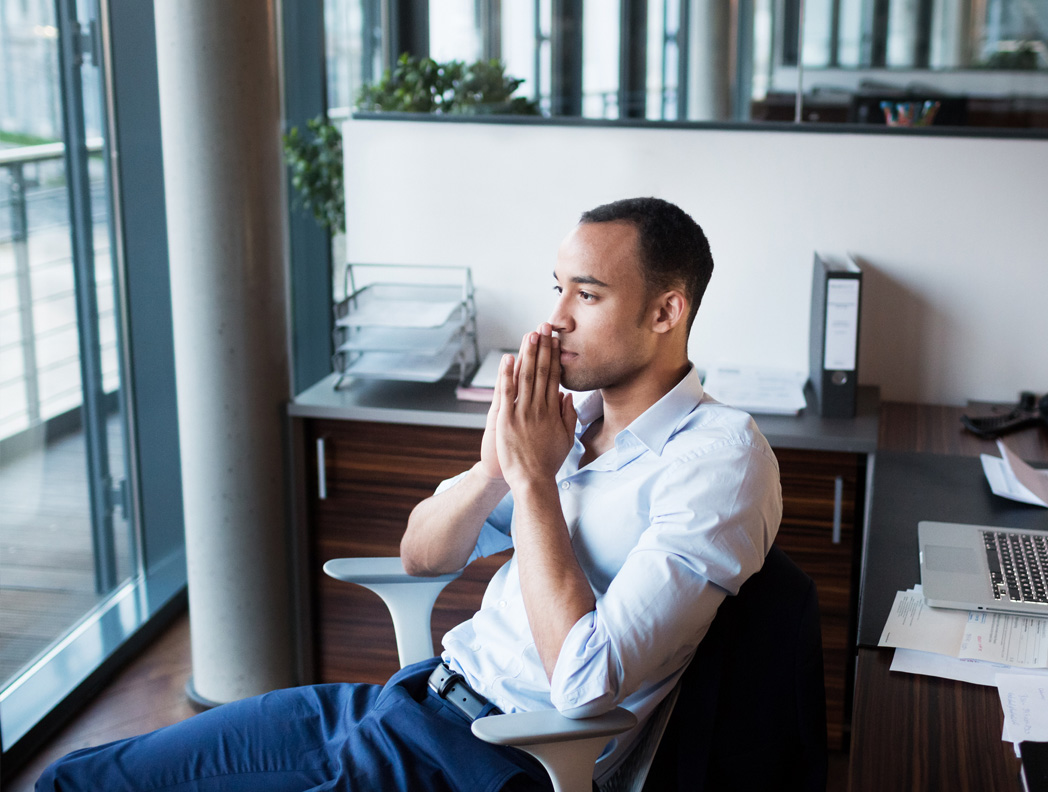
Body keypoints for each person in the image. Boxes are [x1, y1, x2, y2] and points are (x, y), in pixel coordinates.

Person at [38, 197, 782, 792]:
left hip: (488, 758)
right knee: (83, 779)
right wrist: (497, 467)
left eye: (587, 294)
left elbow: (587, 687)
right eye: (558, 288)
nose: (554, 318)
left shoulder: (718, 460)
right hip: (407, 700)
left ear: (666, 312)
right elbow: (421, 556)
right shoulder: (565, 422)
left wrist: (532, 484)